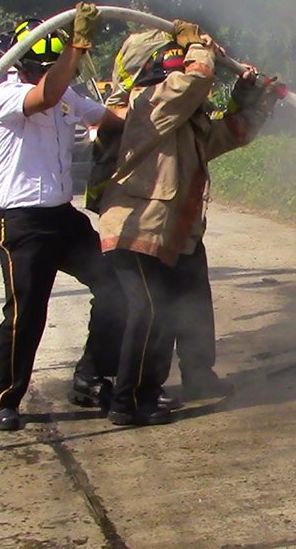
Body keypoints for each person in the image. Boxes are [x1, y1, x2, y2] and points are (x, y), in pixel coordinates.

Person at [95, 21, 280, 426]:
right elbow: (194, 81)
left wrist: (254, 97)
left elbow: (233, 133)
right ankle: (126, 402)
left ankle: (155, 391)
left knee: (175, 308)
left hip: (172, 231)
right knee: (148, 312)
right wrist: (200, 46)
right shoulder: (148, 106)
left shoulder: (184, 121)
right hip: (135, 229)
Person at [0, 3, 126, 431]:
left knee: (115, 287)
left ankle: (89, 375)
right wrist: (77, 47)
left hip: (62, 218)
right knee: (27, 311)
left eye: (53, 66)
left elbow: (110, 118)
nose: (47, 74)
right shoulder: (5, 94)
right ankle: (6, 397)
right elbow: (44, 96)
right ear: (21, 64)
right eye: (40, 66)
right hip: (22, 222)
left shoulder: (65, 93)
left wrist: (173, 106)